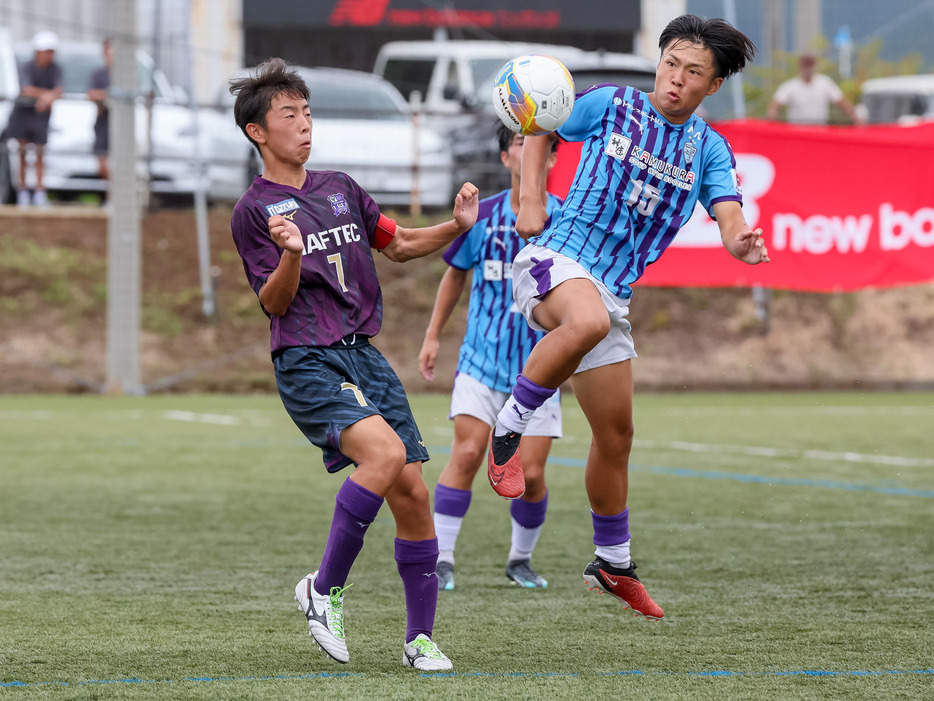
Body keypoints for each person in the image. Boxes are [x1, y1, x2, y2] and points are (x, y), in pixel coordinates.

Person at [487, 14, 770, 621]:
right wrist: (530, 196)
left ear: (712, 85)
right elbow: (542, 124)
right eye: (670, 63)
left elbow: (727, 214)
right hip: (555, 260)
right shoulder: (614, 104)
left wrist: (740, 238)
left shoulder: (707, 148)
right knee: (583, 321)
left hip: (613, 291)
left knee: (616, 438)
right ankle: (509, 430)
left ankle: (612, 563)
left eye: (693, 72)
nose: (675, 79)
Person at [228, 58, 479, 670]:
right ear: (258, 132)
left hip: (363, 356)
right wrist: (289, 255)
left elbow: (396, 244)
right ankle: (323, 590)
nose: (304, 125)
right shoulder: (255, 212)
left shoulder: (340, 187)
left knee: (414, 494)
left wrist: (456, 226)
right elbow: (274, 303)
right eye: (289, 115)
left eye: (308, 112)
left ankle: (419, 640)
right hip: (307, 361)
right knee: (385, 456)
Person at [418, 123, 562, 592]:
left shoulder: (565, 221)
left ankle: (520, 559)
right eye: (519, 143)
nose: (529, 151)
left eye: (539, 144)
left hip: (540, 369)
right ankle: (441, 560)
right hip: (481, 362)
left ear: (553, 159)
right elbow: (455, 275)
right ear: (505, 158)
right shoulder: (483, 217)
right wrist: (433, 335)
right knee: (466, 454)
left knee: (533, 473)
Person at [7, 30, 63, 207]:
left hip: (41, 117)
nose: (50, 55)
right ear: (38, 51)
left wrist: (44, 98)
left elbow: (59, 90)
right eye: (47, 51)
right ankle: (22, 192)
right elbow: (26, 89)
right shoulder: (27, 67)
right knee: (22, 154)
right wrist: (46, 96)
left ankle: (39, 192)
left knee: (39, 154)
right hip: (22, 116)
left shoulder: (56, 69)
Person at [766, 52, 863, 125]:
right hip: (797, 132)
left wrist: (854, 115)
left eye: (810, 65)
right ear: (800, 66)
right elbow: (776, 104)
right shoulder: (790, 86)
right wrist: (772, 113)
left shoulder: (824, 83)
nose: (808, 69)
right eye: (805, 65)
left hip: (818, 132)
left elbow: (841, 101)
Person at [86, 38, 113, 182]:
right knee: (102, 166)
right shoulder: (98, 74)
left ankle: (115, 197)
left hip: (122, 125)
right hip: (103, 122)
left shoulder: (126, 75)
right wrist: (110, 96)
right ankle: (112, 196)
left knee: (120, 164)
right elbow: (91, 94)